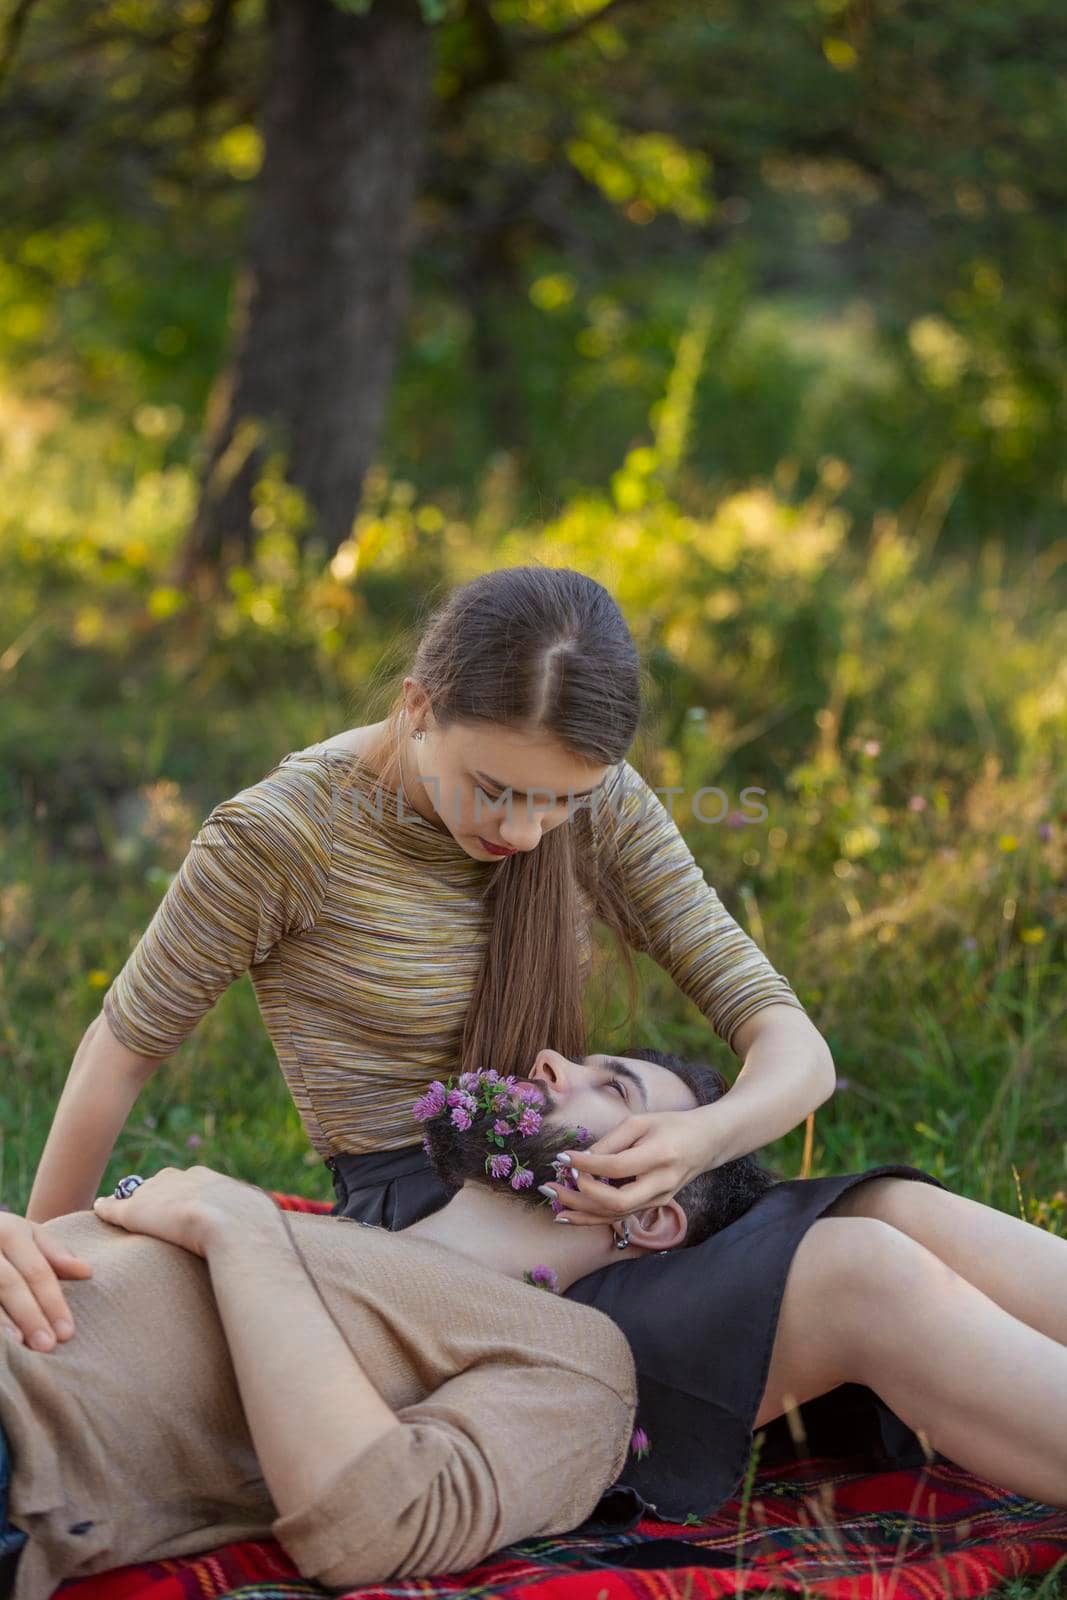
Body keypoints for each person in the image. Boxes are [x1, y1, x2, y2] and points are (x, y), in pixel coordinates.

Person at [18, 563, 1051, 1518]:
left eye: (557, 801)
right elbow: (121, 1049)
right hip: (435, 1247)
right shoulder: (286, 835)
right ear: (420, 705)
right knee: (859, 1269)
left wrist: (701, 1139)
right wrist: (55, 1284)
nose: (523, 830)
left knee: (895, 1206)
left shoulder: (598, 801)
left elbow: (792, 1048)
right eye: (497, 789)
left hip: (574, 1198)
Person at [4, 1053, 1067, 1600]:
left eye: (610, 1086)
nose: (553, 1059)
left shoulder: (570, 1359)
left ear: (651, 1215)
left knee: (882, 1223)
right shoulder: (320, 1230)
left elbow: (372, 1525)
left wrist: (240, 1236)